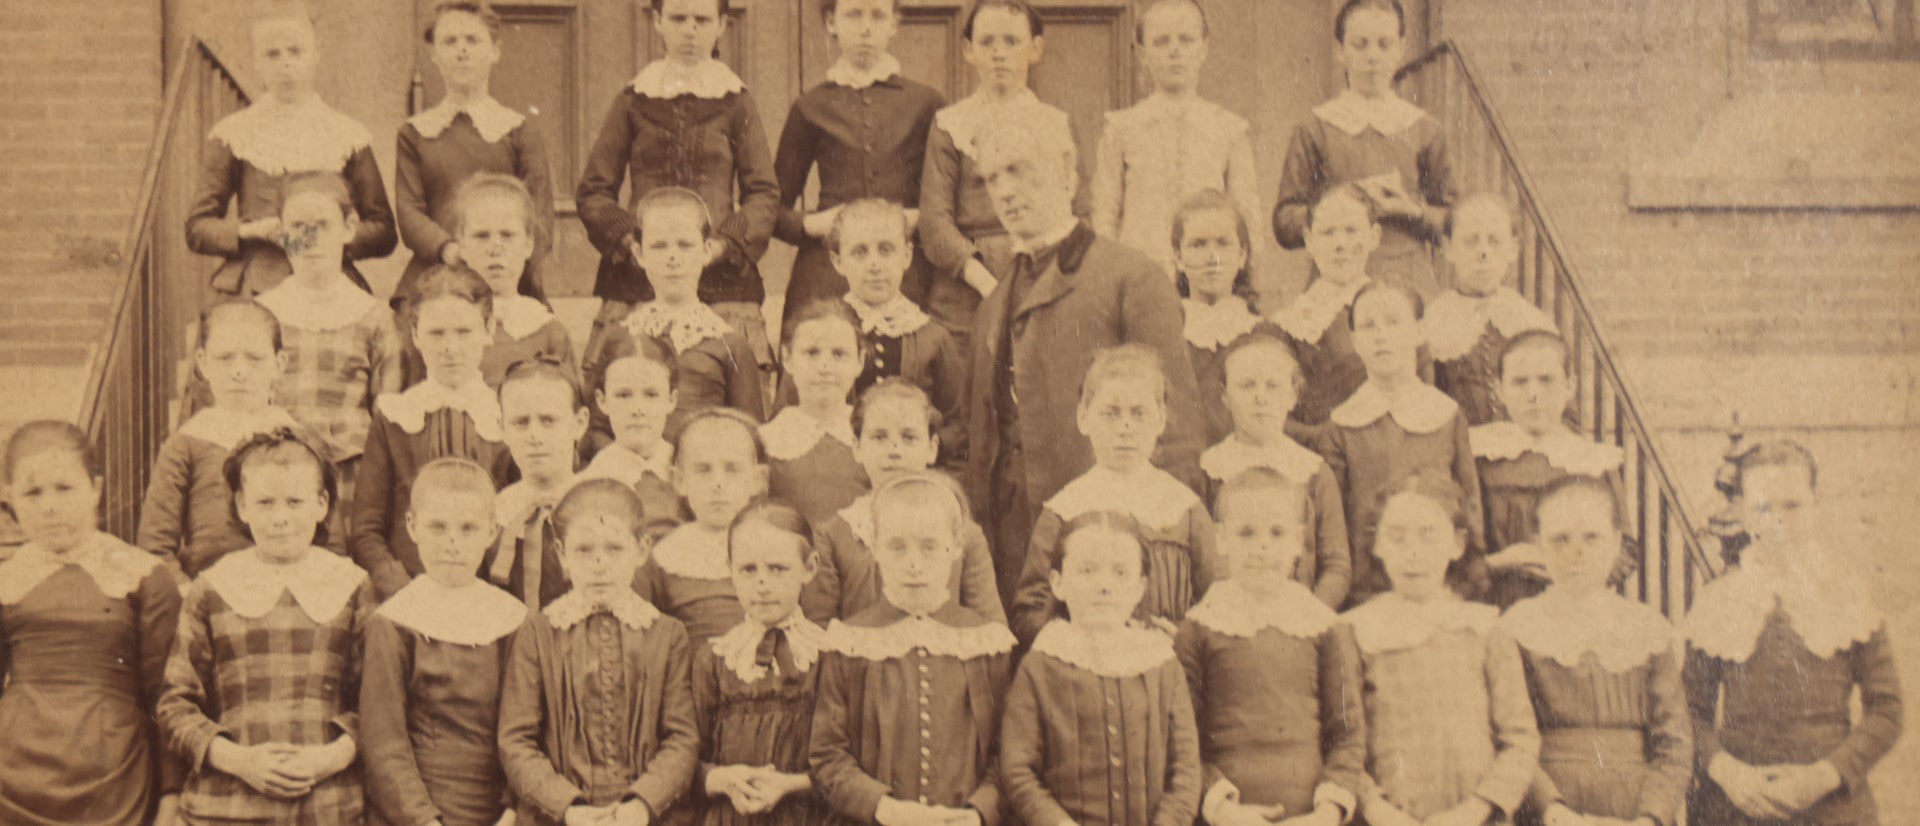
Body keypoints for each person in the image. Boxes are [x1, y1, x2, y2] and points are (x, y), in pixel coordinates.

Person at [964, 114, 1204, 594]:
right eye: (993, 179)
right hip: (1012, 542)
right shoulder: (994, 302)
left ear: (1067, 171)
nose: (1005, 191)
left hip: (1109, 545)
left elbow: (1176, 429)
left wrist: (1161, 558)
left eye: (1019, 170)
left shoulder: (1130, 278)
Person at [156, 429, 376, 823]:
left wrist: (329, 758)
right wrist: (239, 760)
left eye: (294, 502)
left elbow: (377, 704)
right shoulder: (211, 588)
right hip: (228, 804)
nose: (280, 518)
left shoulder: (352, 585)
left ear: (322, 503)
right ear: (242, 505)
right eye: (265, 502)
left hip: (328, 805)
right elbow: (175, 704)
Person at [1684, 442, 1904, 826]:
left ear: (1814, 503)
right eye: (1763, 508)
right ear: (1744, 513)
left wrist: (1825, 775)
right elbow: (1689, 710)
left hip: (1831, 804)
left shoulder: (1847, 593)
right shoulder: (1719, 600)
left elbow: (1886, 709)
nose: (1779, 521)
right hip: (1736, 803)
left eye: (1793, 505)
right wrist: (1730, 775)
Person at [577, 0, 780, 399]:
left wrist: (721, 246)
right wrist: (633, 245)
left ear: (722, 25)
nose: (690, 30)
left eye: (702, 20)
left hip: (720, 278)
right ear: (657, 22)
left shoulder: (736, 102)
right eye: (678, 18)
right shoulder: (633, 101)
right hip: (640, 277)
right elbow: (594, 191)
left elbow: (763, 193)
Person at [0, 421, 185, 825]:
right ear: (10, 499)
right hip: (12, 778)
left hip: (114, 774)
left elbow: (166, 695)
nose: (50, 506)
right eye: (33, 493)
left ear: (96, 489)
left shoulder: (143, 576)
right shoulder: (6, 581)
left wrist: (171, 796)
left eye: (64, 488)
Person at [809, 473, 1015, 826]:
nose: (914, 563)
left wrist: (979, 812)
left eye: (929, 546)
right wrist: (882, 807)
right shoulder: (850, 642)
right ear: (874, 547)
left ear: (956, 546)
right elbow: (827, 752)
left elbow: (1010, 753)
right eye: (897, 546)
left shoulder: (985, 642)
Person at [496, 479, 701, 825]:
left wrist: (641, 804)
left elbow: (682, 737)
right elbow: (516, 740)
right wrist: (568, 807)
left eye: (614, 549)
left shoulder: (667, 635)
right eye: (584, 550)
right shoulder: (539, 632)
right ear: (562, 555)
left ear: (641, 550)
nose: (599, 564)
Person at [1174, 467, 1366, 826]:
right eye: (1246, 532)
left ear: (1298, 541)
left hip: (1312, 817)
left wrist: (1326, 812)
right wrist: (1223, 808)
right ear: (1222, 540)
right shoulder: (1199, 628)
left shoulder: (1322, 627)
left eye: (1277, 533)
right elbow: (1182, 742)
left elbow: (1347, 733)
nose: (1262, 546)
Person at [1342, 477, 1539, 826]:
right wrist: (1375, 808)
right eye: (1397, 537)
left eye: (1429, 535)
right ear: (1376, 545)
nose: (1413, 552)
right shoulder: (1355, 632)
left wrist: (1475, 810)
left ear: (1457, 544)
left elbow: (1520, 739)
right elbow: (1343, 742)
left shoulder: (1486, 628)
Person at [1500, 477, 1690, 826]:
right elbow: (1511, 739)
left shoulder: (1648, 629)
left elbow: (1673, 745)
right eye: (1560, 539)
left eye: (1592, 537)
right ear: (1538, 545)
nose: (1577, 552)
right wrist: (1551, 809)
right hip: (1549, 805)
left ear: (1617, 542)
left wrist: (1652, 816)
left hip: (1636, 806)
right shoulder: (1518, 628)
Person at [1000, 510, 1204, 826]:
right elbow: (1018, 768)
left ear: (1139, 587)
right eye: (1087, 570)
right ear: (1058, 583)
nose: (1104, 585)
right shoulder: (1041, 664)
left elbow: (1186, 770)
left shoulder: (1161, 663)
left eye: (1120, 572)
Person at [185, 1, 395, 297]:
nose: (285, 64)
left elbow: (384, 231)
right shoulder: (234, 134)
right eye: (272, 54)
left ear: (315, 57)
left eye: (295, 51)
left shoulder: (346, 135)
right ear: (257, 63)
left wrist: (331, 236)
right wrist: (250, 231)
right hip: (258, 284)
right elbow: (197, 228)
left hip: (330, 285)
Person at [1010, 345, 1216, 644]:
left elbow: (1219, 597)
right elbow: (1030, 609)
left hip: (1168, 668)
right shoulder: (1065, 508)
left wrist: (1188, 640)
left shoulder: (1182, 507)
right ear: (1084, 418)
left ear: (1160, 420)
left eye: (1139, 413)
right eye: (1111, 413)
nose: (1125, 427)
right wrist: (1074, 640)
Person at [360, 458, 527, 826]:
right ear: (412, 526)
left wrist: (512, 811)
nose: (452, 543)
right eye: (438, 527)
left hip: (500, 811)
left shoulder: (514, 620)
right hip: (415, 809)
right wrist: (425, 821)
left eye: (468, 529)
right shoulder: (393, 622)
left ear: (491, 532)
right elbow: (383, 744)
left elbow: (526, 729)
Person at [918, 0, 1080, 359]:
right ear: (968, 51)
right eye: (987, 42)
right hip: (964, 287)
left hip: (1041, 277)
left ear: (1036, 49)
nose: (999, 54)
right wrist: (987, 283)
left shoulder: (1055, 123)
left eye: (1011, 41)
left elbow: (1076, 212)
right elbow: (934, 221)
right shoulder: (950, 125)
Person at [253, 171, 406, 548]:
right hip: (280, 473)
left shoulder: (372, 316)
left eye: (322, 225)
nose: (309, 238)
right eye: (298, 226)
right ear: (282, 233)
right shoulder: (264, 313)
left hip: (349, 474)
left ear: (349, 227)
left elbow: (386, 407)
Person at [772, 0, 945, 320]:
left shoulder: (926, 103)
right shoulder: (810, 106)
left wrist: (917, 218)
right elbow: (771, 208)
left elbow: (949, 198)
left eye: (878, 16)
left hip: (904, 269)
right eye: (853, 14)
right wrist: (813, 224)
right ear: (830, 22)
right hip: (828, 271)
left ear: (894, 23)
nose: (866, 27)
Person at [1273, 0, 1453, 300]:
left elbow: (1452, 222)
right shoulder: (1315, 128)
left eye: (1384, 45)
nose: (1372, 56)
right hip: (1334, 280)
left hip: (1408, 281)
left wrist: (1413, 211)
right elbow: (1285, 224)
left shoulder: (1424, 129)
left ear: (1401, 49)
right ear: (1341, 51)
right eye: (1360, 45)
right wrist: (1343, 202)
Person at [353, 265, 511, 599]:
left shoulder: (507, 418)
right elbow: (367, 529)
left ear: (488, 329)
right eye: (437, 333)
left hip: (488, 595)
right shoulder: (396, 418)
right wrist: (402, 590)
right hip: (408, 594)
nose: (450, 348)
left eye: (464, 332)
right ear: (415, 335)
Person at [1320, 282, 1482, 607]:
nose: (1381, 335)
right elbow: (1335, 526)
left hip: (1440, 587)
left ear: (1419, 330)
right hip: (1367, 593)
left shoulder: (1446, 415)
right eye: (1368, 326)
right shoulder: (1342, 424)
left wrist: (1470, 584)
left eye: (1394, 322)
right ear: (1355, 341)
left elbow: (1470, 505)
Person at [393, 0, 554, 306]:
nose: (461, 50)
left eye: (473, 40)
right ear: (435, 56)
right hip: (438, 268)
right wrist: (450, 250)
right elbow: (410, 212)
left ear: (495, 51)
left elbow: (538, 214)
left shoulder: (518, 130)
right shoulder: (416, 133)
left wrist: (501, 256)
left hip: (503, 272)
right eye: (450, 41)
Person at [801, 380, 1001, 623]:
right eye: (879, 437)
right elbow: (819, 628)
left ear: (932, 448)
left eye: (909, 438)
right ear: (856, 446)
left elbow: (992, 628)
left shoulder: (963, 533)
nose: (894, 449)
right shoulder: (833, 535)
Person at [1091, 0, 1261, 279]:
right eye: (1161, 42)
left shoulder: (1228, 129)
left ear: (1203, 49)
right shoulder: (1121, 128)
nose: (1174, 51)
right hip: (1140, 273)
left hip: (1208, 275)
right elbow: (1104, 215)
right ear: (1143, 54)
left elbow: (1247, 217)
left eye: (1186, 40)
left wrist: (1245, 279)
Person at [137, 300, 310, 576]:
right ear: (203, 363)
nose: (239, 371)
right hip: (209, 592)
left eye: (254, 358)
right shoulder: (187, 443)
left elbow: (330, 540)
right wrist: (188, 593)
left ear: (279, 364)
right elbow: (155, 545)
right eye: (225, 358)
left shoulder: (299, 441)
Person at [688, 500, 833, 825]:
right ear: (730, 569)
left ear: (809, 568)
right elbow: (688, 758)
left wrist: (790, 785)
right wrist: (722, 779)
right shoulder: (714, 660)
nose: (762, 584)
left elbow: (848, 764)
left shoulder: (829, 657)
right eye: (748, 569)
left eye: (778, 569)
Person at [587, 188, 767, 449]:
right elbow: (597, 428)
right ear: (639, 254)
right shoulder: (620, 338)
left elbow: (749, 433)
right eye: (659, 246)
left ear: (706, 251)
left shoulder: (730, 344)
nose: (672, 257)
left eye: (684, 245)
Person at [1472, 330, 1632, 609]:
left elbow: (1624, 552)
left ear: (1570, 386)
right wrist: (1499, 562)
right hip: (1497, 604)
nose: (1534, 394)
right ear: (1499, 390)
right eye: (1520, 382)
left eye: (1547, 380)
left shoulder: (1591, 461)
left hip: (1575, 608)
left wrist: (1572, 566)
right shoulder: (1481, 455)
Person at [1201, 335, 1351, 608]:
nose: (1260, 397)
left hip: (1298, 616)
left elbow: (1337, 565)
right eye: (1246, 386)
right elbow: (1202, 561)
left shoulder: (1313, 472)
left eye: (1272, 386)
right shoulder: (1208, 471)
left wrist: (1309, 613)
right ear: (1225, 396)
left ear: (1293, 396)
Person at [811, 199, 966, 462]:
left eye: (886, 250)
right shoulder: (819, 332)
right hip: (841, 473)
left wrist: (919, 450)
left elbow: (961, 423)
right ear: (838, 261)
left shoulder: (931, 336)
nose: (875, 265)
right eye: (860, 252)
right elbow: (793, 417)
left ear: (906, 256)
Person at [418, 174, 576, 387]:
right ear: (461, 245)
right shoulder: (440, 328)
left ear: (528, 245)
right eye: (482, 236)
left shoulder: (547, 330)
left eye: (508, 235)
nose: (495, 248)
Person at [642, 408, 770, 645]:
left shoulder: (777, 545)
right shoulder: (664, 557)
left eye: (732, 469)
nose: (717, 484)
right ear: (679, 480)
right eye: (703, 470)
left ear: (757, 479)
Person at [1269, 184, 1390, 431]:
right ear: (1309, 240)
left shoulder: (1393, 309)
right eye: (1328, 232)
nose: (1340, 244)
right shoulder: (1289, 325)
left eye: (1351, 231)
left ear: (1374, 236)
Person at [1426, 194, 1554, 426]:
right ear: (1448, 248)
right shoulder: (1432, 323)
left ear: (1513, 249)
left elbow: (1560, 407)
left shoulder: (1531, 321)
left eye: (1494, 241)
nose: (1483, 252)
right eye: (1471, 241)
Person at [481, 360, 590, 609]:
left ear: (579, 423)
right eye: (520, 422)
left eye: (548, 421)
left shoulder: (598, 505)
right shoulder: (496, 514)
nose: (534, 436)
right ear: (502, 428)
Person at [1172, 190, 1273, 446]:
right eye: (1198, 245)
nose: (1212, 258)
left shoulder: (1263, 335)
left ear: (1242, 255)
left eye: (1223, 243)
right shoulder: (1168, 333)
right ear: (1179, 258)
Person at [765, 300, 870, 526]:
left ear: (859, 361)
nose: (825, 367)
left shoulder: (872, 433)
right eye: (812, 353)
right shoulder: (770, 438)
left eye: (839, 354)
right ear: (787, 358)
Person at [579, 332, 686, 526]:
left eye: (651, 395)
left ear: (671, 400)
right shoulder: (591, 482)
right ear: (602, 401)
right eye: (623, 395)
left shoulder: (686, 472)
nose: (638, 409)